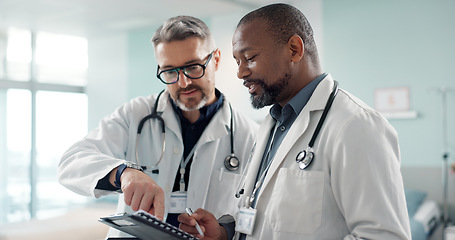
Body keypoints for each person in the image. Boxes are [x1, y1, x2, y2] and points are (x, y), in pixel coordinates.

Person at [178, 3, 411, 240]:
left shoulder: (356, 126)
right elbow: (264, 213)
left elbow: (383, 236)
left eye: (249, 58)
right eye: (238, 61)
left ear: (294, 49)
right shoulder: (271, 125)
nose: (241, 73)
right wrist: (224, 232)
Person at [58, 15, 258, 239]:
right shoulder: (135, 114)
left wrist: (224, 233)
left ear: (217, 60)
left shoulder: (249, 135)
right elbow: (71, 162)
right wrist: (123, 173)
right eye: (170, 72)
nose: (183, 83)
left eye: (192, 67)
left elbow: (254, 216)